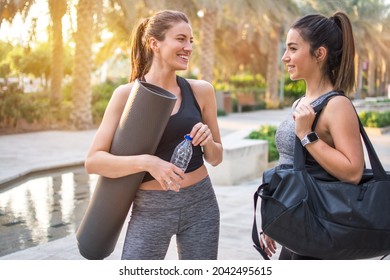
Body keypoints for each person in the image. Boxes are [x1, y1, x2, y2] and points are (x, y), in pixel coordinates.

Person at [84, 10, 223, 260]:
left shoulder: (201, 91)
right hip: (151, 207)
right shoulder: (126, 95)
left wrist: (209, 140)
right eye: (180, 39)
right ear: (154, 44)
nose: (188, 47)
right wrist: (148, 162)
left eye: (191, 41)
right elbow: (93, 161)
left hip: (201, 204)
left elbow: (216, 157)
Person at [259, 11, 365, 260]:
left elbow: (353, 172)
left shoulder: (337, 105)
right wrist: (277, 218)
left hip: (320, 232)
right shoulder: (301, 102)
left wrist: (307, 135)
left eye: (293, 49)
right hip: (298, 225)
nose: (285, 57)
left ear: (320, 53)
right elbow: (289, 166)